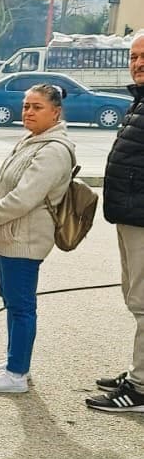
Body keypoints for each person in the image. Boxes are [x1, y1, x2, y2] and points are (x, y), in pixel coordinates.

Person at [0, 84, 74, 393]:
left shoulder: (53, 149)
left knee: (22, 306)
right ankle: (15, 361)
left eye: (37, 107)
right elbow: (4, 184)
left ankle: (17, 374)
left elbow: (22, 198)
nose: (28, 112)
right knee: (13, 302)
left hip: (25, 238)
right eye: (26, 105)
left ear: (56, 112)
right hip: (13, 236)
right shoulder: (34, 140)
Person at [86, 31, 144, 412]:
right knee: (135, 298)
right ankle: (139, 371)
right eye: (134, 57)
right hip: (130, 215)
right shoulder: (139, 103)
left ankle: (139, 388)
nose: (137, 63)